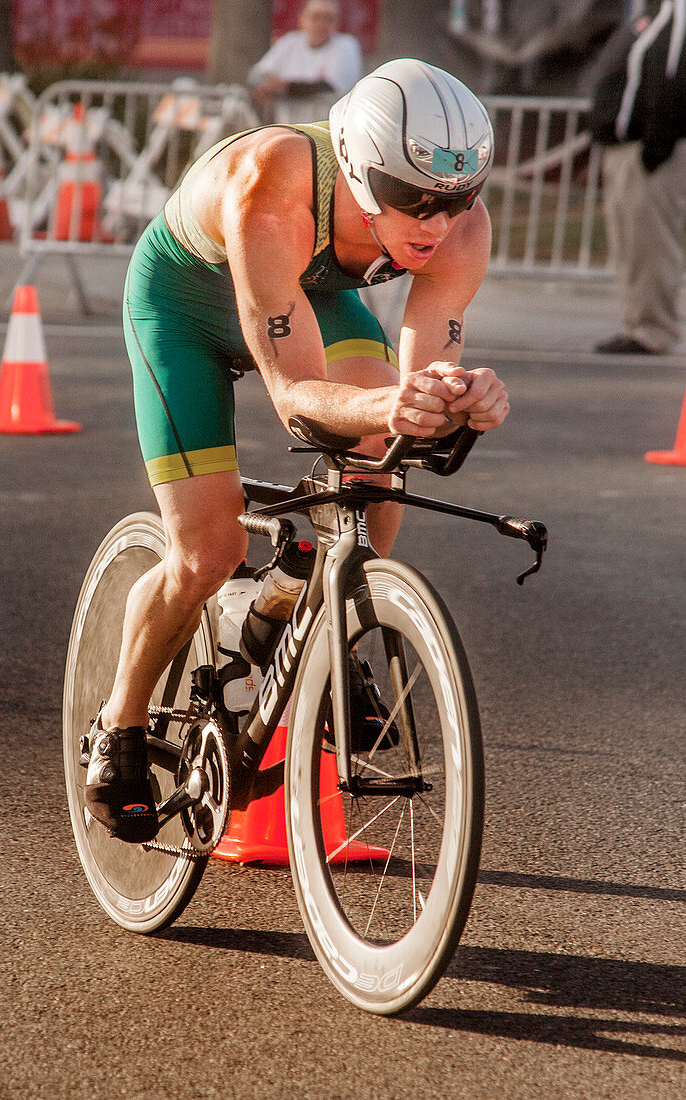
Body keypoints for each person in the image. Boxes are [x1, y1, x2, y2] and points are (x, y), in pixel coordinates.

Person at [84, 58, 508, 843]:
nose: (434, 224)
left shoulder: (459, 227)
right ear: (353, 166)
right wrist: (394, 399)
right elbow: (295, 394)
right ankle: (121, 721)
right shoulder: (272, 185)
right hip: (183, 303)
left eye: (454, 201)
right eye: (409, 199)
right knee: (205, 552)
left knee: (383, 445)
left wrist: (456, 400)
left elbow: (424, 381)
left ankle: (317, 605)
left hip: (308, 295)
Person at [591, 0, 686, 355]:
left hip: (652, 152)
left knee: (652, 241)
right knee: (631, 241)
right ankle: (638, 323)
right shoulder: (651, 9)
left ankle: (654, 329)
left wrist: (657, 144)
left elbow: (676, 77)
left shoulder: (677, 12)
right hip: (626, 147)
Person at [248, 0, 362, 124]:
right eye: (316, 17)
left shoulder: (346, 45)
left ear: (337, 22)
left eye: (329, 18)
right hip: (287, 127)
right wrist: (267, 85)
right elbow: (256, 75)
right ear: (302, 18)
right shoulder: (289, 42)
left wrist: (283, 86)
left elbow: (329, 87)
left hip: (326, 129)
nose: (321, 24)